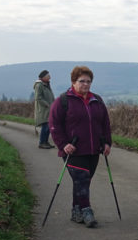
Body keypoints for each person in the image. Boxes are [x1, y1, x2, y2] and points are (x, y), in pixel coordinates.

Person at [48, 66, 112, 228]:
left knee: (83, 182)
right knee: (81, 179)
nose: (86, 84)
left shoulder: (97, 100)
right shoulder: (63, 101)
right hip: (73, 151)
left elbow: (105, 124)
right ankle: (86, 210)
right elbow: (54, 125)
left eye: (88, 81)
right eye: (82, 81)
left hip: (93, 150)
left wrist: (107, 143)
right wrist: (63, 144)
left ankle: (76, 211)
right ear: (73, 82)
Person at [33, 69, 55, 149]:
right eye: (48, 76)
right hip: (43, 110)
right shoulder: (39, 85)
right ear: (43, 77)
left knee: (48, 127)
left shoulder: (46, 84)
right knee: (45, 127)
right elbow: (38, 98)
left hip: (49, 110)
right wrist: (48, 105)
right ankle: (42, 143)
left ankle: (46, 142)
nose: (50, 77)